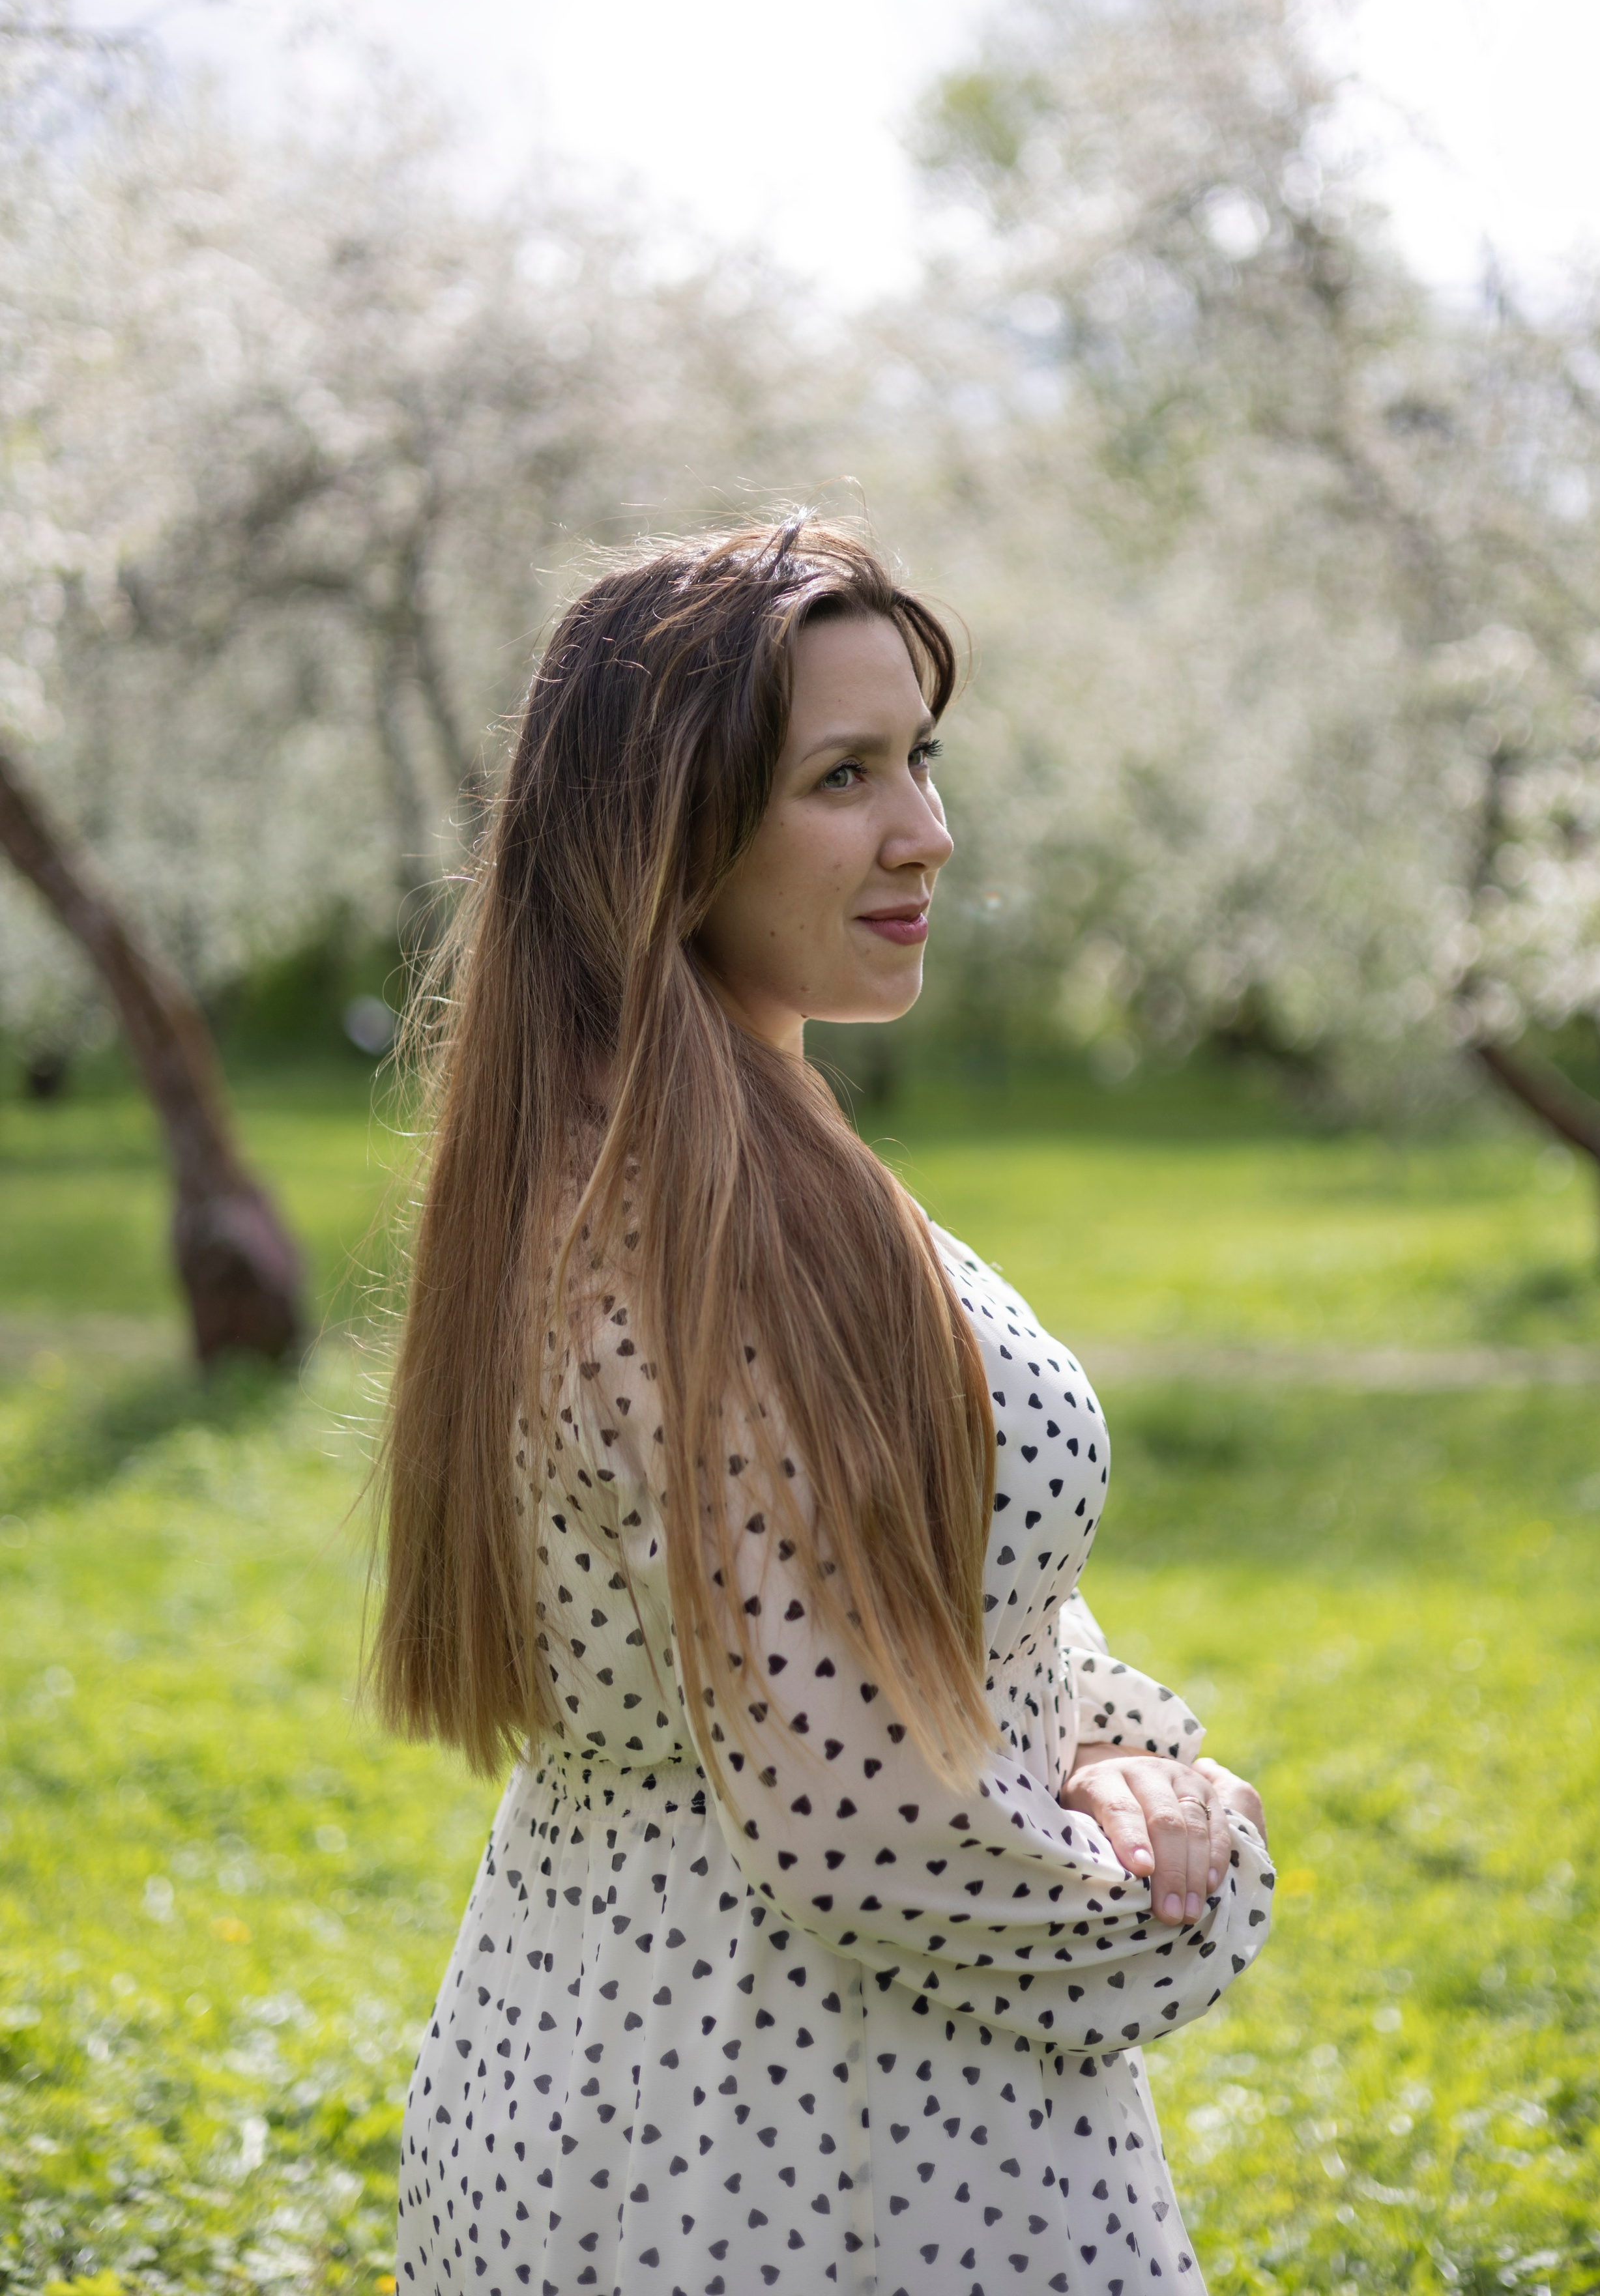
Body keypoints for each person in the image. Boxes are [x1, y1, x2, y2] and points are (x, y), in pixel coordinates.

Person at [371, 518, 1274, 2296]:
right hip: (799, 2129)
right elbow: (867, 1829)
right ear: (670, 835)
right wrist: (1198, 1881)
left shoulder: (728, 1147)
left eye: (919, 760)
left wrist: (1115, 1739)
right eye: (841, 777)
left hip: (657, 2056)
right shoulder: (685, 1233)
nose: (925, 830)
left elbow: (926, 1572)